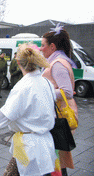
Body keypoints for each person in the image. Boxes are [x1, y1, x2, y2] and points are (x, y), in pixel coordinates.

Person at [0, 43, 57, 176]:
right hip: (45, 144)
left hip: (28, 147)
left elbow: (7, 114)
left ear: (17, 61)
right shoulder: (47, 83)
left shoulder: (22, 87)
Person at [41, 23, 78, 176]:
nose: (41, 48)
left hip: (58, 116)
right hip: (56, 115)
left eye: (43, 45)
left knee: (54, 155)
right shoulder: (57, 61)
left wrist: (44, 91)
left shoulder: (57, 64)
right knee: (55, 156)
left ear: (52, 47)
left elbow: (67, 92)